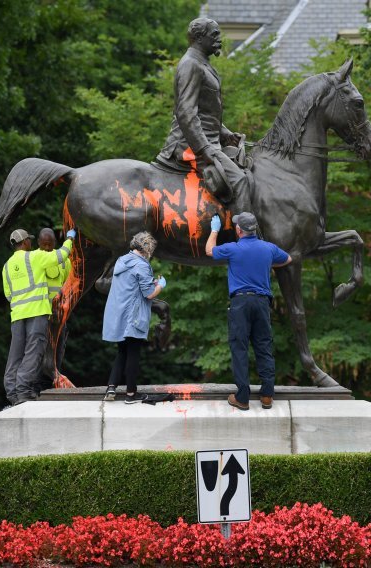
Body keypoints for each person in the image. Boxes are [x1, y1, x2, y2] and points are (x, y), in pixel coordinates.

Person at [154, 17, 249, 204]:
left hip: (209, 142)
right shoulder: (191, 64)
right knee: (239, 180)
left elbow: (204, 113)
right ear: (199, 38)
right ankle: (246, 233)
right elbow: (186, 112)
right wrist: (204, 148)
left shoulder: (202, 63)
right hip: (189, 145)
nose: (219, 39)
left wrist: (225, 134)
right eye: (214, 35)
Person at [205, 212, 291, 410]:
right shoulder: (268, 248)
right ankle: (267, 396)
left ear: (238, 230)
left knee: (239, 348)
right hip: (262, 303)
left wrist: (215, 230)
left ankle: (242, 398)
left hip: (240, 303)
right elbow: (288, 259)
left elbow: (209, 250)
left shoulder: (233, 249)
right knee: (263, 347)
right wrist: (268, 263)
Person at [2, 227, 75, 405]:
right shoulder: (34, 257)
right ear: (25, 242)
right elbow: (61, 255)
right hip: (37, 313)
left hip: (18, 315)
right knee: (33, 353)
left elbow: (8, 294)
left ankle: (12, 392)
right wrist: (70, 239)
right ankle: (24, 390)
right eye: (30, 240)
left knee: (16, 354)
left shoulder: (7, 266)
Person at [102, 232, 166, 403]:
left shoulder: (122, 261)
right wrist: (160, 285)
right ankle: (131, 394)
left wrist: (150, 283)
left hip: (120, 315)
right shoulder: (142, 265)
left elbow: (131, 285)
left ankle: (111, 388)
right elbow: (149, 294)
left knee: (122, 351)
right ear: (147, 249)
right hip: (134, 317)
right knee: (133, 353)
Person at [37, 228, 74, 394]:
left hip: (58, 316)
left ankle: (52, 386)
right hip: (40, 314)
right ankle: (37, 387)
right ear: (38, 243)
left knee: (57, 352)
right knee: (38, 352)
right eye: (44, 244)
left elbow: (68, 284)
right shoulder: (35, 258)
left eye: (50, 244)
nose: (46, 247)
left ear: (54, 243)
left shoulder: (63, 260)